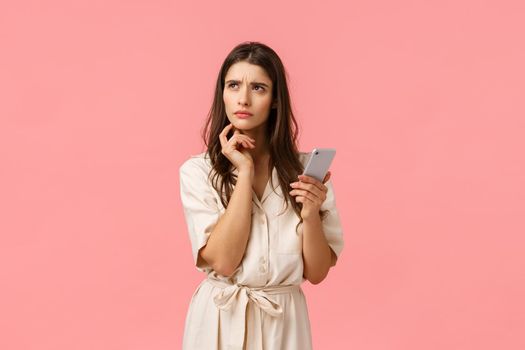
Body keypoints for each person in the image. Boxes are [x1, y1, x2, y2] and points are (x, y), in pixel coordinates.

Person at [179, 41, 344, 350]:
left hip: (285, 323)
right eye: (233, 85)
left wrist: (310, 214)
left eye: (258, 88)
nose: (243, 98)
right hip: (219, 320)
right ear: (222, 94)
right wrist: (243, 173)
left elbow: (318, 272)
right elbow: (225, 263)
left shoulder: (306, 173)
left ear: (275, 100)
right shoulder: (197, 172)